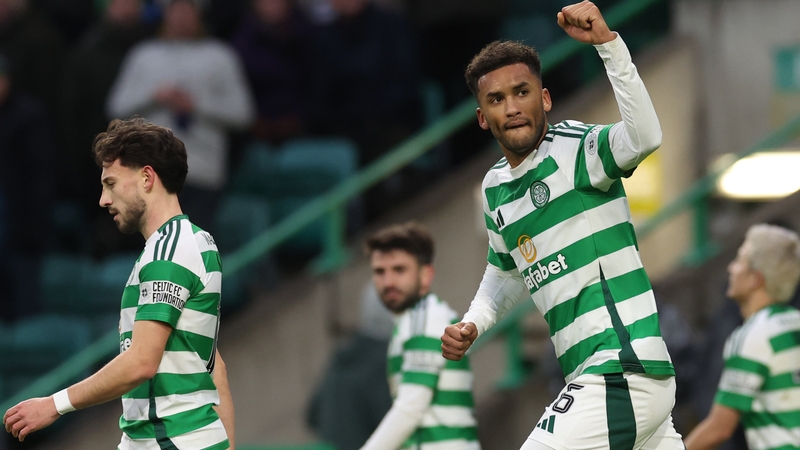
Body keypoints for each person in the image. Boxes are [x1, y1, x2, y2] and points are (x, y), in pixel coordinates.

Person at [440, 2, 684, 449]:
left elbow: (644, 137)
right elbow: (504, 272)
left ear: (545, 98)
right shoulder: (494, 188)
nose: (512, 107)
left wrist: (609, 45)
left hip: (620, 367)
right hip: (601, 375)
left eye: (522, 92)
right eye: (497, 99)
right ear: (482, 118)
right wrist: (473, 323)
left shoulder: (576, 150)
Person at [2, 117, 235, 449]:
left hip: (172, 440)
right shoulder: (190, 243)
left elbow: (141, 362)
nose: (103, 199)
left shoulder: (168, 253)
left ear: (146, 178)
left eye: (110, 183)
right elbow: (214, 366)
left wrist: (55, 404)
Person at [107, 0, 255, 233]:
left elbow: (243, 114)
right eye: (175, 10)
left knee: (192, 243)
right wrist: (155, 96)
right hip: (150, 172)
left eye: (188, 10)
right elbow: (116, 108)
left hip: (203, 172)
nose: (181, 17)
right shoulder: (144, 54)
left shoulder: (220, 55)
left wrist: (196, 105)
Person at [362, 222, 480, 450]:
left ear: (426, 275)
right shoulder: (416, 319)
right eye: (379, 271)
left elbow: (410, 408)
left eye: (399, 270)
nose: (388, 282)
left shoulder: (424, 320)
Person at [684, 224, 800, 450]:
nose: (731, 268)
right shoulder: (794, 321)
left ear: (755, 279)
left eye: (739, 260)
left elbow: (719, 428)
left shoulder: (753, 335)